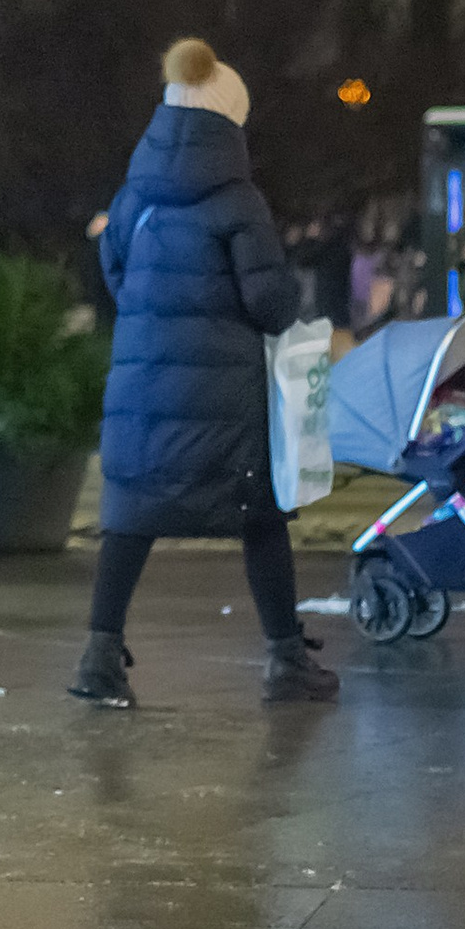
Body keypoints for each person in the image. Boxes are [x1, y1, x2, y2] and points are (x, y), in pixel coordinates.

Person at [70, 36, 336, 709]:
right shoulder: (238, 201)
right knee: (260, 514)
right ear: (228, 124)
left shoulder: (133, 199)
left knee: (128, 517)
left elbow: (118, 279)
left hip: (140, 384)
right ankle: (285, 660)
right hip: (221, 391)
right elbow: (270, 303)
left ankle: (100, 658)